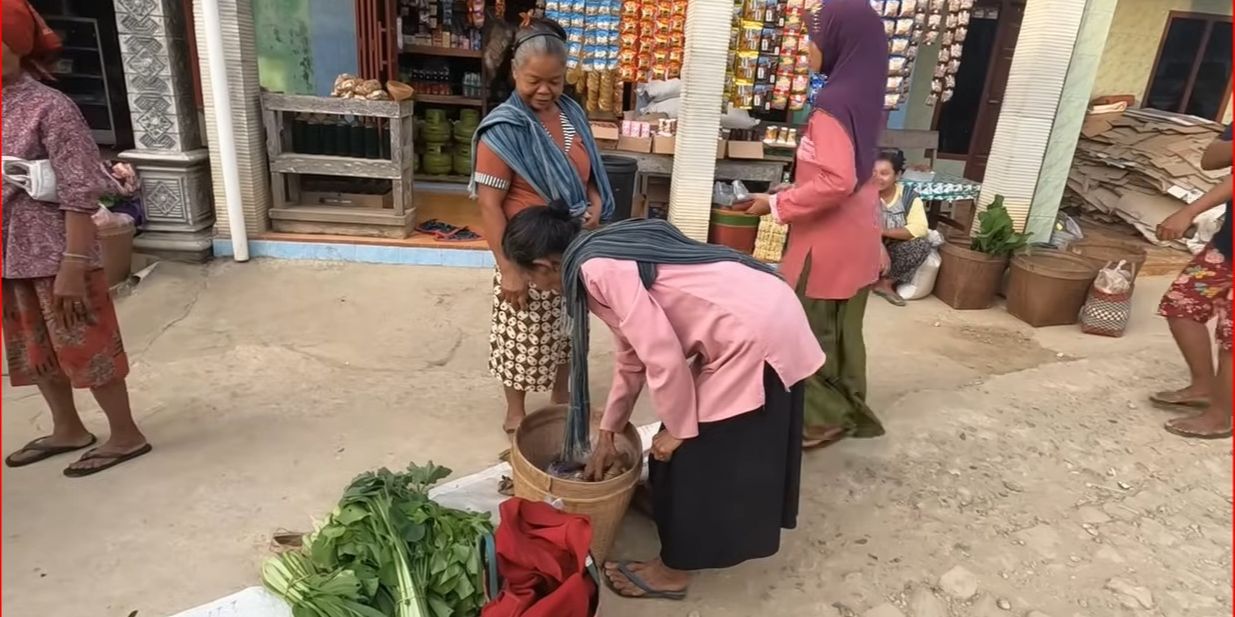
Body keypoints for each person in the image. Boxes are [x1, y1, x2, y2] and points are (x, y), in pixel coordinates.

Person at [501, 206, 824, 600]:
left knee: (692, 452)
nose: (541, 288)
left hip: (757, 335)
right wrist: (607, 432)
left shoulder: (598, 270)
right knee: (683, 442)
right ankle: (668, 506)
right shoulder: (596, 250)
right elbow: (633, 355)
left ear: (542, 265)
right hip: (757, 312)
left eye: (533, 278)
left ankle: (674, 570)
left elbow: (663, 357)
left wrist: (679, 430)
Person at [2, 0, 150, 476]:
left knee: (87, 344)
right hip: (10, 256)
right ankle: (67, 428)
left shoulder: (50, 107)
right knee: (34, 347)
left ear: (15, 47)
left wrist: (72, 262)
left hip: (57, 251)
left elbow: (80, 189)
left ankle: (125, 434)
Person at [737, 0, 887, 448]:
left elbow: (836, 180)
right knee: (843, 330)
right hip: (856, 236)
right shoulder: (863, 93)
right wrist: (778, 195)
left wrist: (777, 208)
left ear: (839, 38)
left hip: (826, 243)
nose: (807, 46)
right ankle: (847, 406)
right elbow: (845, 174)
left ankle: (822, 420)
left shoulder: (834, 102)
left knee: (806, 330)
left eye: (813, 35)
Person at [469, 13, 616, 435]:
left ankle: (561, 395)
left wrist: (594, 202)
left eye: (554, 80)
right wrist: (509, 268)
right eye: (534, 80)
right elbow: (490, 205)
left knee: (569, 326)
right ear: (515, 72)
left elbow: (589, 176)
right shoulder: (505, 129)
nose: (544, 90)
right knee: (522, 328)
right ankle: (516, 409)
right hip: (528, 250)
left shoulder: (572, 114)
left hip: (572, 246)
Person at [1151, 124, 1232, 439]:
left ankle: (1222, 416)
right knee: (1181, 306)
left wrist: (1188, 213)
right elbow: (1210, 159)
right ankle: (1203, 387)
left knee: (1231, 339)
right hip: (1228, 246)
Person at [871, 149, 931, 306]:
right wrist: (878, 244)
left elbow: (919, 228)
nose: (877, 178)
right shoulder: (863, 193)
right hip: (865, 248)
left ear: (897, 176)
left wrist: (883, 232)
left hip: (893, 250)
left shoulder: (908, 196)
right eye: (873, 172)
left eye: (884, 173)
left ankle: (885, 283)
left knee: (922, 244)